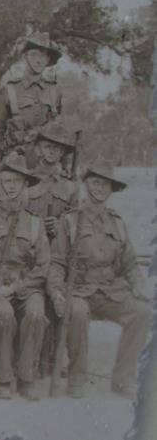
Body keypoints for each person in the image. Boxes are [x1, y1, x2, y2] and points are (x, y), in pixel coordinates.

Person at [48, 166, 151, 399]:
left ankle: (123, 378)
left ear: (112, 189)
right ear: (86, 184)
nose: (100, 188)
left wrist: (138, 285)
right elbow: (56, 263)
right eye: (95, 182)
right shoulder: (70, 221)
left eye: (105, 184)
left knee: (142, 313)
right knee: (79, 312)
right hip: (79, 291)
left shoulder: (118, 223)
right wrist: (57, 293)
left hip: (111, 292)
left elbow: (130, 264)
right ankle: (77, 377)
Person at [0, 152, 50, 400]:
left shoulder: (35, 223)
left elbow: (43, 267)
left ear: (25, 185)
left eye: (17, 181)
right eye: (7, 182)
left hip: (26, 286)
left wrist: (16, 288)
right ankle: (4, 377)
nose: (11, 187)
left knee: (36, 313)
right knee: (3, 315)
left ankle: (26, 377)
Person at [0, 33, 63, 160]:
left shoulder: (54, 91)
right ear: (25, 57)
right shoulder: (9, 90)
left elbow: (59, 131)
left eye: (43, 55)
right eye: (34, 54)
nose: (38, 60)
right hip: (15, 159)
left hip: (44, 161)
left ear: (48, 60)